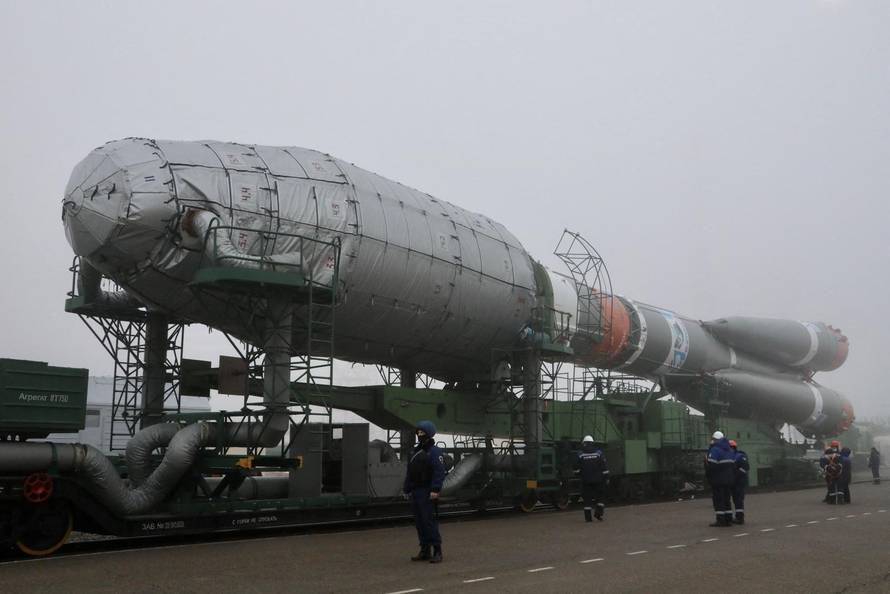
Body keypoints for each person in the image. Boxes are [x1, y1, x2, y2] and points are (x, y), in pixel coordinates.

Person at [403, 420, 446, 563]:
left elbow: (438, 472)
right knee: (419, 522)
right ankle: (424, 549)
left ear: (428, 434)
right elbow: (410, 472)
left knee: (429, 521)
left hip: (427, 491)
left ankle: (437, 550)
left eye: (422, 433)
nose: (419, 435)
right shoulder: (416, 451)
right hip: (416, 491)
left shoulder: (434, 452)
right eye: (418, 433)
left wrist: (435, 489)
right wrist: (406, 488)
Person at [705, 430, 736, 527]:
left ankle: (720, 520)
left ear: (714, 439)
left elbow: (711, 464)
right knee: (727, 499)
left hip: (718, 479)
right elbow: (733, 465)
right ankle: (728, 519)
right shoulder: (729, 450)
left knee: (718, 500)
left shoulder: (715, 450)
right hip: (729, 479)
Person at [576, 435, 609, 522]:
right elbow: (604, 467)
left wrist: (579, 475)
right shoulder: (598, 453)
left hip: (586, 480)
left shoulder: (580, 454)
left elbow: (576, 468)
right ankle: (598, 514)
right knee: (600, 498)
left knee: (587, 500)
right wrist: (606, 478)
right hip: (599, 480)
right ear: (592, 443)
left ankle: (588, 518)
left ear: (584, 443)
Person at [729, 439, 749, 525]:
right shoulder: (732, 456)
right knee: (736, 499)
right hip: (734, 481)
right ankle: (738, 516)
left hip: (739, 482)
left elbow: (745, 468)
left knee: (738, 500)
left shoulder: (740, 456)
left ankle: (740, 518)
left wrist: (736, 474)